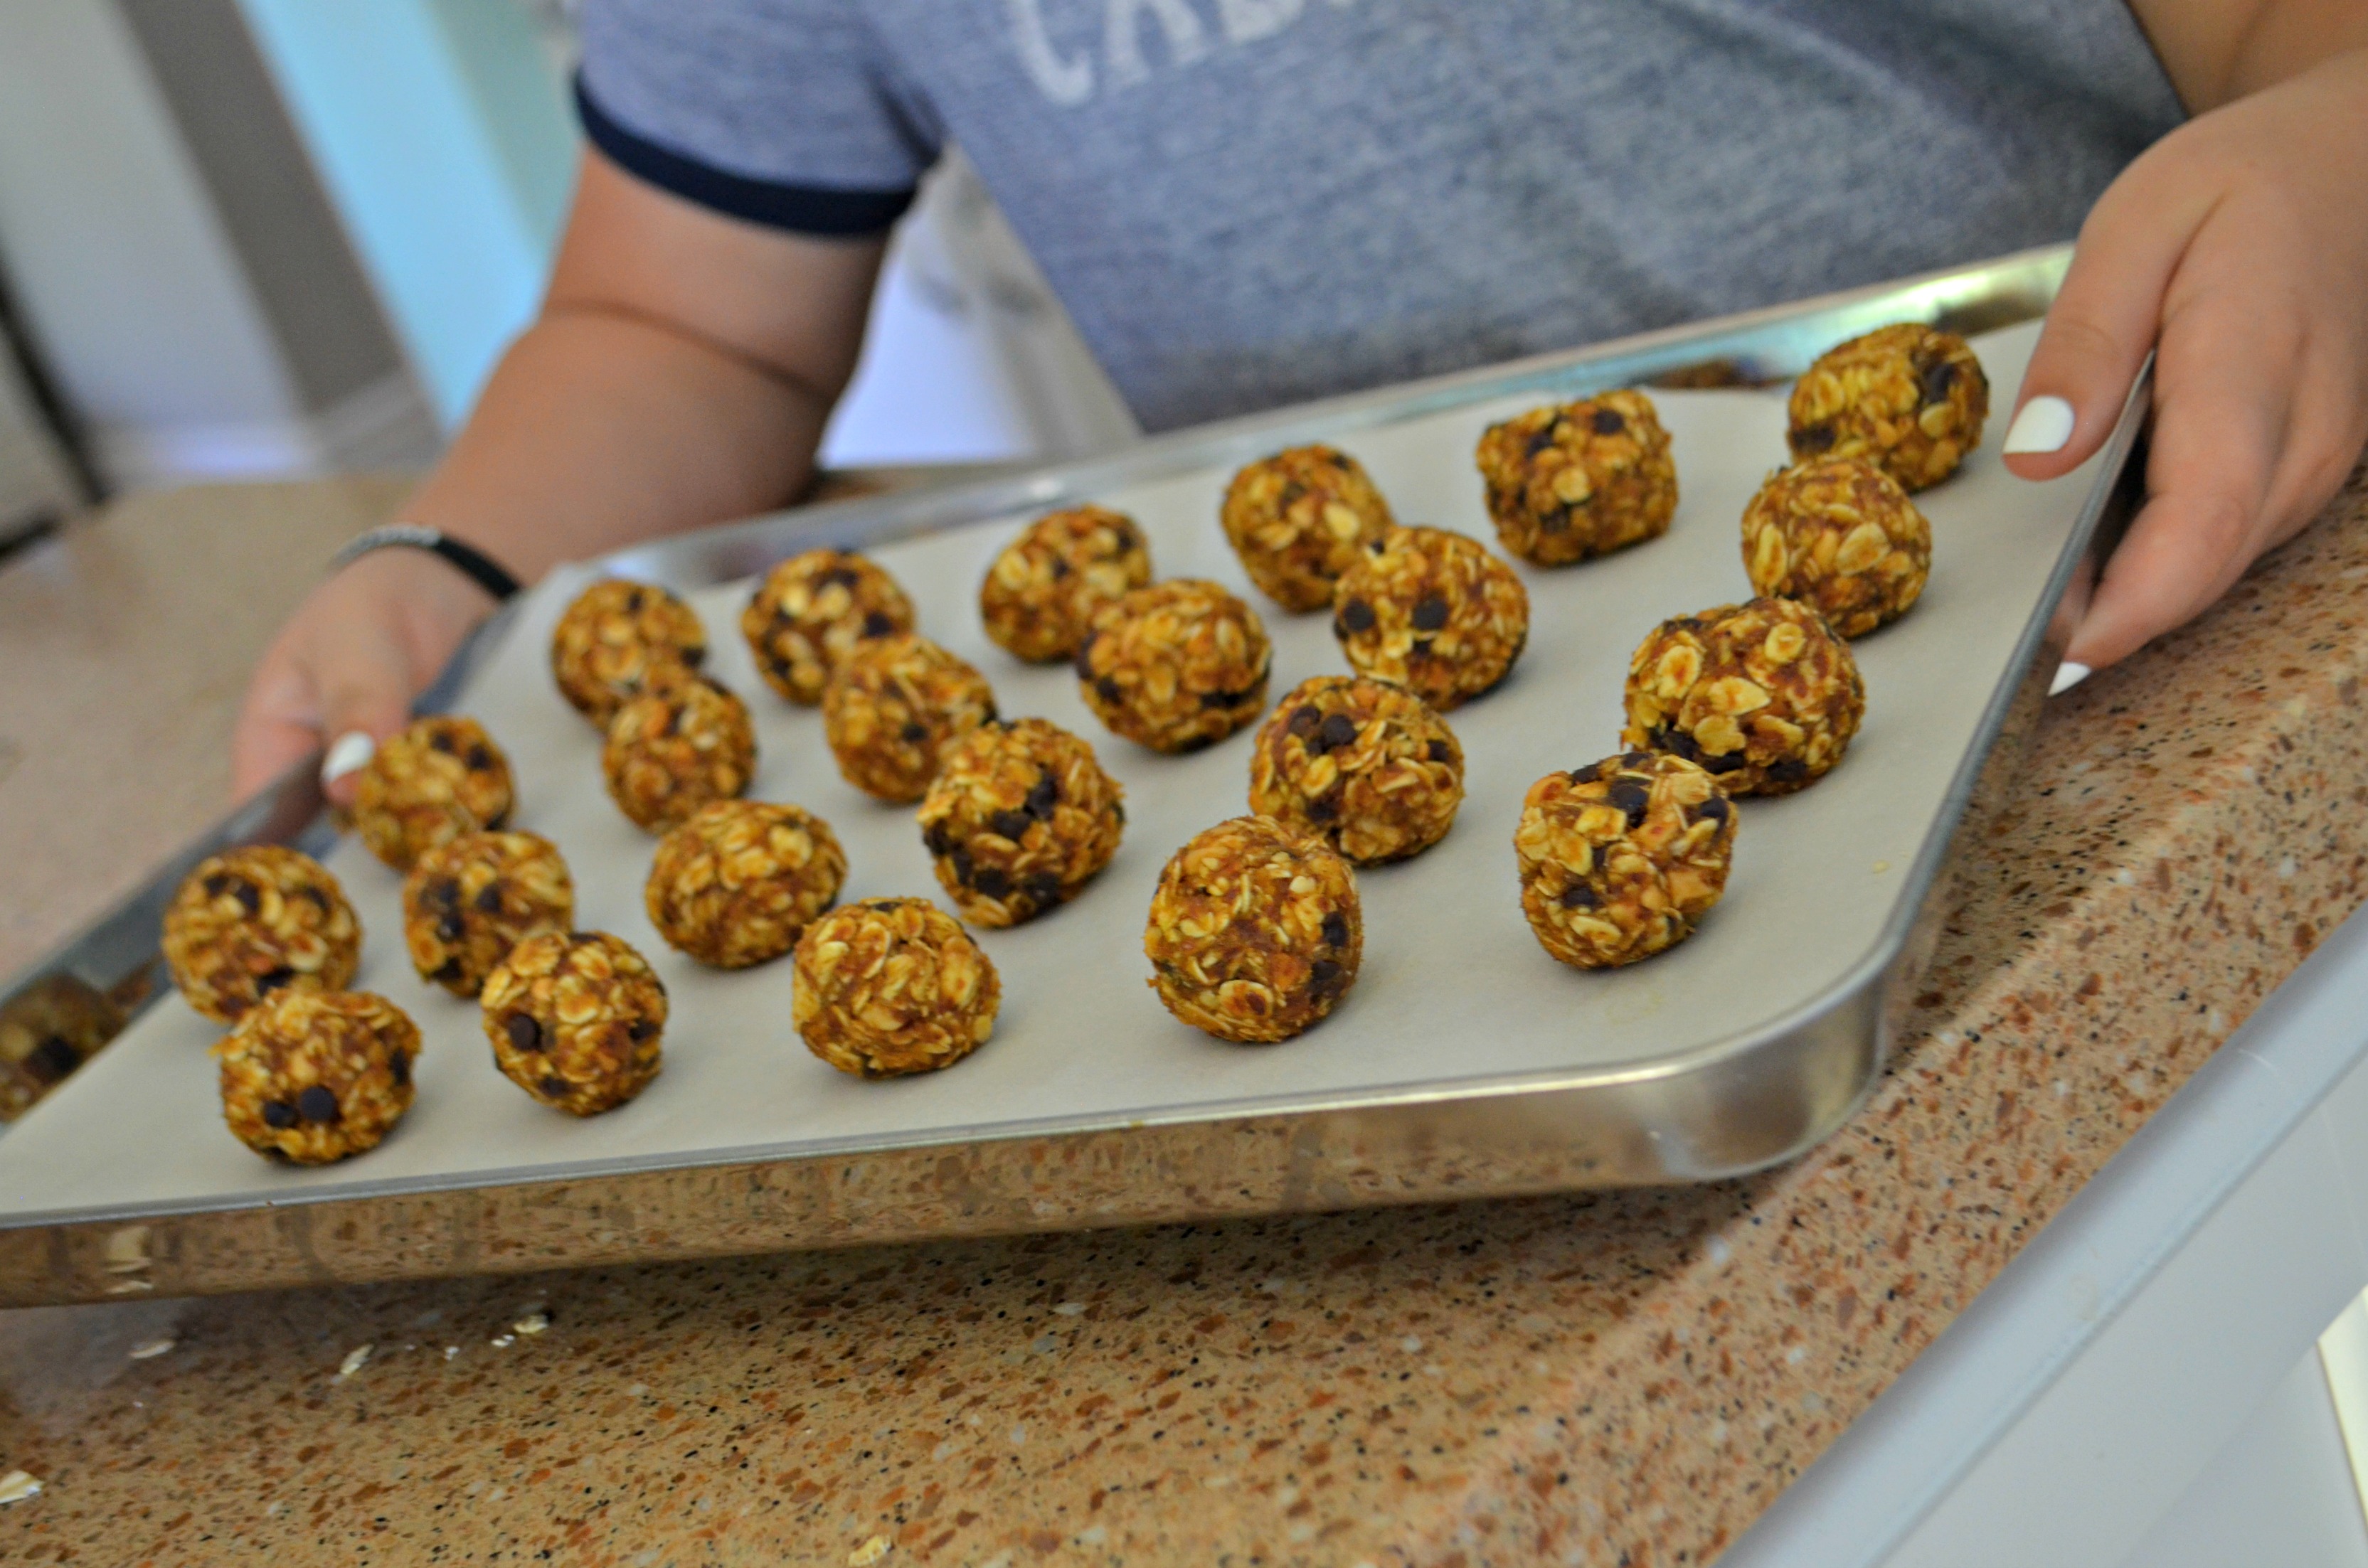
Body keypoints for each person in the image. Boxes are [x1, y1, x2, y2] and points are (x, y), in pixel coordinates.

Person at [231, 0, 2368, 804]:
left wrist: (2331, 138)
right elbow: (691, 329)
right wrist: (455, 560)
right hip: (1393, 743)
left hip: (2151, 614)